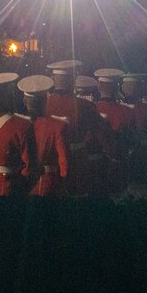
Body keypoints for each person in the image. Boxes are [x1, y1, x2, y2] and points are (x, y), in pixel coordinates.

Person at [45, 60, 114, 196]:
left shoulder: (44, 104)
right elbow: (102, 135)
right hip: (77, 162)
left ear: (53, 79)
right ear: (73, 81)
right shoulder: (85, 106)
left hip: (48, 162)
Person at [18, 74, 70, 197]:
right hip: (49, 183)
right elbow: (64, 162)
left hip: (20, 183)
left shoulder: (16, 124)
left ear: (25, 101)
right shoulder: (58, 125)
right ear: (46, 100)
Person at [95, 68, 137, 195]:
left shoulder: (92, 109)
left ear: (99, 87)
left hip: (97, 167)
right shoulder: (128, 111)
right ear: (117, 88)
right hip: (121, 167)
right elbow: (134, 140)